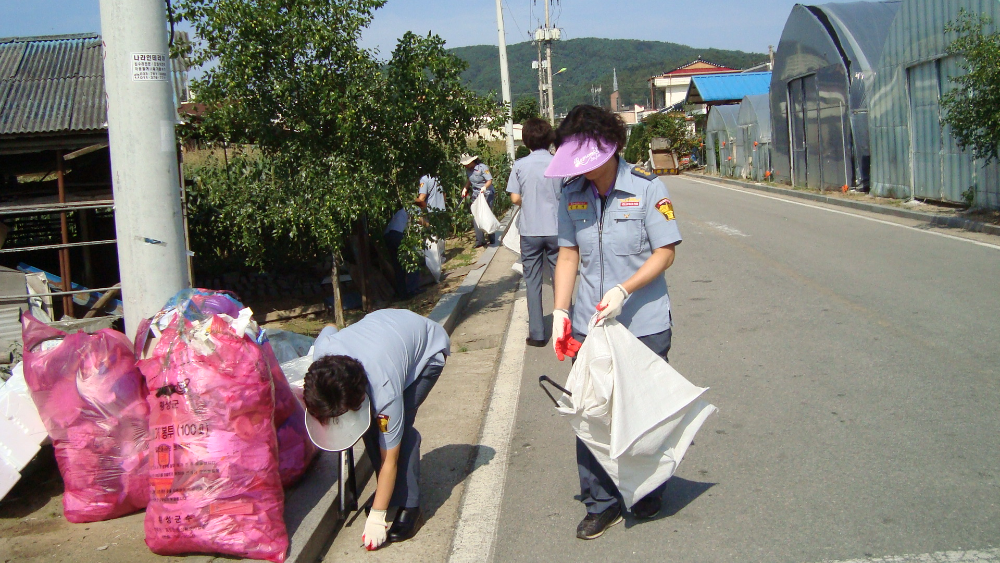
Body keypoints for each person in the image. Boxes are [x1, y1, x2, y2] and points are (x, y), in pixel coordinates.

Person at [545, 105, 682, 540]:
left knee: (641, 411)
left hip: (643, 322)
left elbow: (666, 251)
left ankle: (644, 487)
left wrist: (625, 288)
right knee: (591, 412)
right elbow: (568, 254)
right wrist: (562, 311)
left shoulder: (645, 188)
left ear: (612, 148)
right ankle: (599, 502)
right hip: (591, 326)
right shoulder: (572, 193)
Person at [303, 309, 450, 550]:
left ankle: (410, 507)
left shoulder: (384, 390)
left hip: (427, 349)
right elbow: (330, 325)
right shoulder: (323, 353)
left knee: (398, 433)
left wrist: (377, 516)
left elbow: (390, 459)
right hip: (386, 329)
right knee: (370, 427)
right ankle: (391, 491)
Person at [506, 118, 562, 346]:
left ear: (526, 139)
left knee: (532, 281)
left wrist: (530, 201)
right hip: (558, 229)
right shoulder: (558, 163)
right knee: (562, 279)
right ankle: (562, 331)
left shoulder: (520, 165)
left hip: (530, 231)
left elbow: (514, 197)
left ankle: (538, 334)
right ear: (549, 139)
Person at [460, 154, 495, 247]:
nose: (465, 165)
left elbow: (489, 180)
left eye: (466, 163)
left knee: (487, 214)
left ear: (472, 161)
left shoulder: (482, 168)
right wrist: (465, 188)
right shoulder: (468, 171)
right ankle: (480, 240)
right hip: (476, 195)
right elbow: (469, 180)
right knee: (476, 216)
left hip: (487, 194)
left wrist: (484, 187)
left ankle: (491, 237)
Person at [384, 207, 419, 299]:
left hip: (388, 235)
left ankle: (402, 293)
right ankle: (412, 290)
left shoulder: (401, 211)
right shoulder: (414, 209)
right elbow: (420, 223)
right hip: (398, 234)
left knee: (398, 265)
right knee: (413, 260)